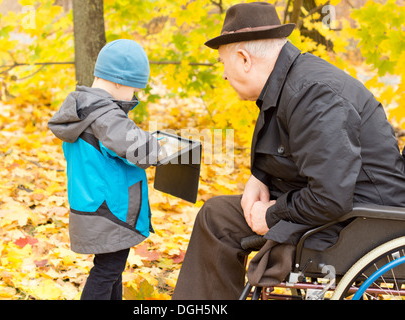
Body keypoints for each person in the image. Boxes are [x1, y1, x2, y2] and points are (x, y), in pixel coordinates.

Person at [172, 2, 405, 300]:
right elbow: (292, 149)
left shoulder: (313, 94)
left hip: (361, 222)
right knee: (216, 216)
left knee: (230, 220)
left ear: (243, 59)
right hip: (332, 205)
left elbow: (330, 197)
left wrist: (271, 214)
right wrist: (259, 177)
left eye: (222, 63)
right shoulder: (287, 83)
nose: (223, 75)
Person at [48, 39, 159, 300]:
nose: (133, 97)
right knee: (107, 271)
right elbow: (141, 151)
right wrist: (168, 148)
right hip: (112, 212)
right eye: (133, 89)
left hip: (90, 206)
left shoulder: (83, 109)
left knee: (111, 269)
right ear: (119, 81)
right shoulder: (107, 116)